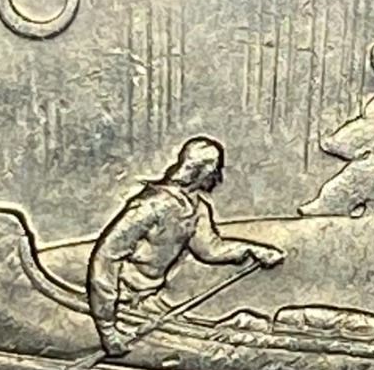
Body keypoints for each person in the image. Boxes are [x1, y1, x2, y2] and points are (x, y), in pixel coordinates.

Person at [86, 137, 282, 354]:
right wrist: (107, 329)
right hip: (118, 301)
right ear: (203, 171)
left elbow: (210, 250)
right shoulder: (151, 206)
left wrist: (255, 250)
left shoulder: (196, 208)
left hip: (147, 299)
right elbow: (106, 257)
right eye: (216, 170)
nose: (219, 178)